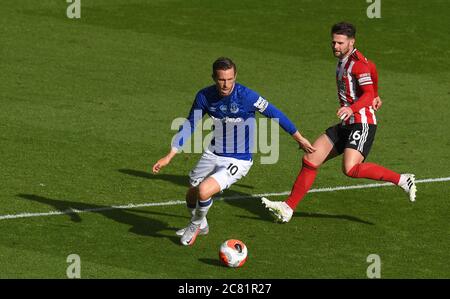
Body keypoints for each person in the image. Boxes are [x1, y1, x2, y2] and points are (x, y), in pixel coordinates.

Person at [261, 22, 417, 223]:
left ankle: (403, 180)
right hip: (346, 123)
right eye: (333, 42)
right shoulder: (347, 60)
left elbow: (367, 89)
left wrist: (361, 102)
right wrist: (376, 93)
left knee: (351, 169)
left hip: (362, 123)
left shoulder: (358, 64)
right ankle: (288, 208)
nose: (335, 46)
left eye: (340, 43)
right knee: (311, 159)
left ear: (352, 42)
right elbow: (374, 69)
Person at [152, 57, 316, 245]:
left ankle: (194, 225)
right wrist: (169, 155)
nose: (226, 84)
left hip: (238, 160)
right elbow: (190, 124)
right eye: (222, 79)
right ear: (214, 77)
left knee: (204, 191)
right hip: (213, 153)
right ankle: (202, 225)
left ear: (235, 76)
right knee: (192, 191)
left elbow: (275, 113)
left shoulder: (247, 96)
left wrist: (299, 138)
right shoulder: (204, 97)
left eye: (230, 79)